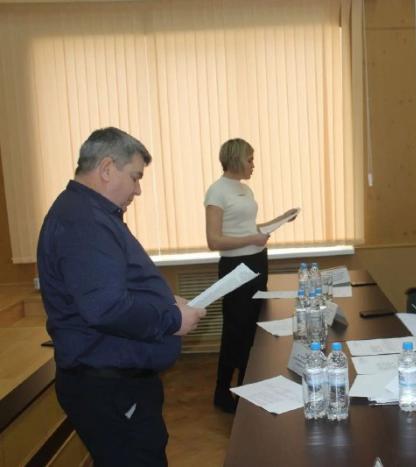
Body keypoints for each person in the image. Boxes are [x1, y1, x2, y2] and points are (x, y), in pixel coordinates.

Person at [37, 127, 206, 466]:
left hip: (113, 380)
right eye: (135, 177)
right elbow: (106, 307)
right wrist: (171, 318)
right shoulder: (83, 222)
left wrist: (164, 300)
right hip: (107, 385)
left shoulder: (88, 213)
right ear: (106, 168)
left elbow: (114, 286)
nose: (138, 189)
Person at [204, 138, 296, 413]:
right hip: (235, 267)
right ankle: (222, 391)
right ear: (235, 159)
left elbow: (250, 228)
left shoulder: (245, 189)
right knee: (235, 330)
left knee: (253, 331)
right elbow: (214, 240)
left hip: (257, 262)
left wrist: (281, 219)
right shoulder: (217, 192)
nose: (253, 165)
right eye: (250, 159)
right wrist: (252, 239)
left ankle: (246, 390)